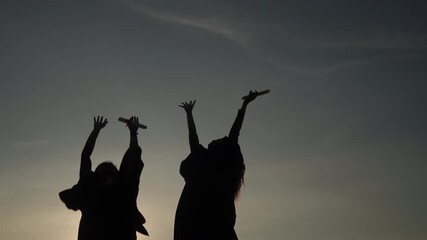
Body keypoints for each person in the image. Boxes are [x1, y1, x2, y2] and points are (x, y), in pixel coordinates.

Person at [174, 90, 259, 240]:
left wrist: (189, 114)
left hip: (200, 229)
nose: (214, 140)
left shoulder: (206, 165)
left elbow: (194, 138)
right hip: (216, 229)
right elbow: (233, 133)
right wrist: (244, 105)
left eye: (218, 140)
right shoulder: (219, 173)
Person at [59, 116, 148, 240]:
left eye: (109, 169)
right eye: (103, 169)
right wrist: (96, 130)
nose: (106, 170)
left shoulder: (124, 189)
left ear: (116, 174)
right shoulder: (89, 190)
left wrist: (133, 132)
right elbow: (85, 156)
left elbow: (134, 157)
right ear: (97, 175)